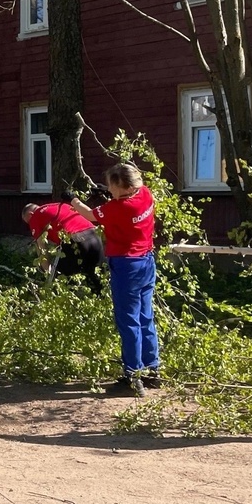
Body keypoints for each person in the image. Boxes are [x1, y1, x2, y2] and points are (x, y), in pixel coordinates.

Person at [67, 163, 161, 395]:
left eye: (111, 184)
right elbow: (122, 199)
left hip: (126, 265)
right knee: (145, 316)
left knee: (128, 320)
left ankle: (132, 376)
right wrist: (109, 194)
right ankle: (152, 370)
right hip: (147, 261)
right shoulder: (145, 194)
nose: (109, 187)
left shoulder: (118, 209)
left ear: (122, 186)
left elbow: (89, 214)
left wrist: (72, 200)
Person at [21, 195, 105, 293]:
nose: (30, 225)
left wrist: (48, 274)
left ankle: (64, 302)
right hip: (95, 235)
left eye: (28, 222)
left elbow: (41, 249)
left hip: (74, 240)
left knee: (62, 279)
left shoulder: (35, 216)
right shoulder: (61, 205)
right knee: (97, 277)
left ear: (31, 214)